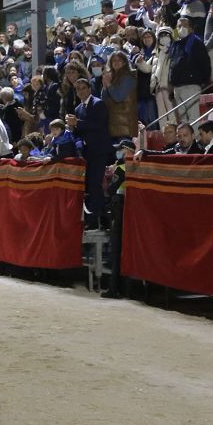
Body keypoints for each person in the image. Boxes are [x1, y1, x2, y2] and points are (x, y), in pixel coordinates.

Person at [65, 77, 111, 229]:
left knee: (95, 183)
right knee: (91, 185)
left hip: (99, 150)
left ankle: (94, 220)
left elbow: (99, 125)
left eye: (84, 88)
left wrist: (77, 123)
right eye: (78, 89)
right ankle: (103, 218)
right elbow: (80, 131)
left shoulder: (98, 103)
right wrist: (72, 127)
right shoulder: (78, 109)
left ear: (89, 89)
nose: (81, 91)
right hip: (86, 152)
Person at [102, 139, 136, 299]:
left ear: (127, 151)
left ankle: (113, 288)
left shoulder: (121, 169)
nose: (118, 153)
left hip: (119, 208)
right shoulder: (136, 167)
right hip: (129, 209)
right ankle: (127, 289)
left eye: (121, 150)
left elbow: (111, 189)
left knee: (116, 251)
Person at [167, 17, 211, 122]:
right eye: (178, 26)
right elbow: (172, 64)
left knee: (193, 118)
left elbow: (204, 62)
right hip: (177, 87)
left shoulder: (196, 42)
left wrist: (204, 80)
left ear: (191, 28)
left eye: (184, 26)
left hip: (191, 85)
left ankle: (195, 138)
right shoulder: (175, 44)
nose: (181, 28)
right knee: (182, 121)